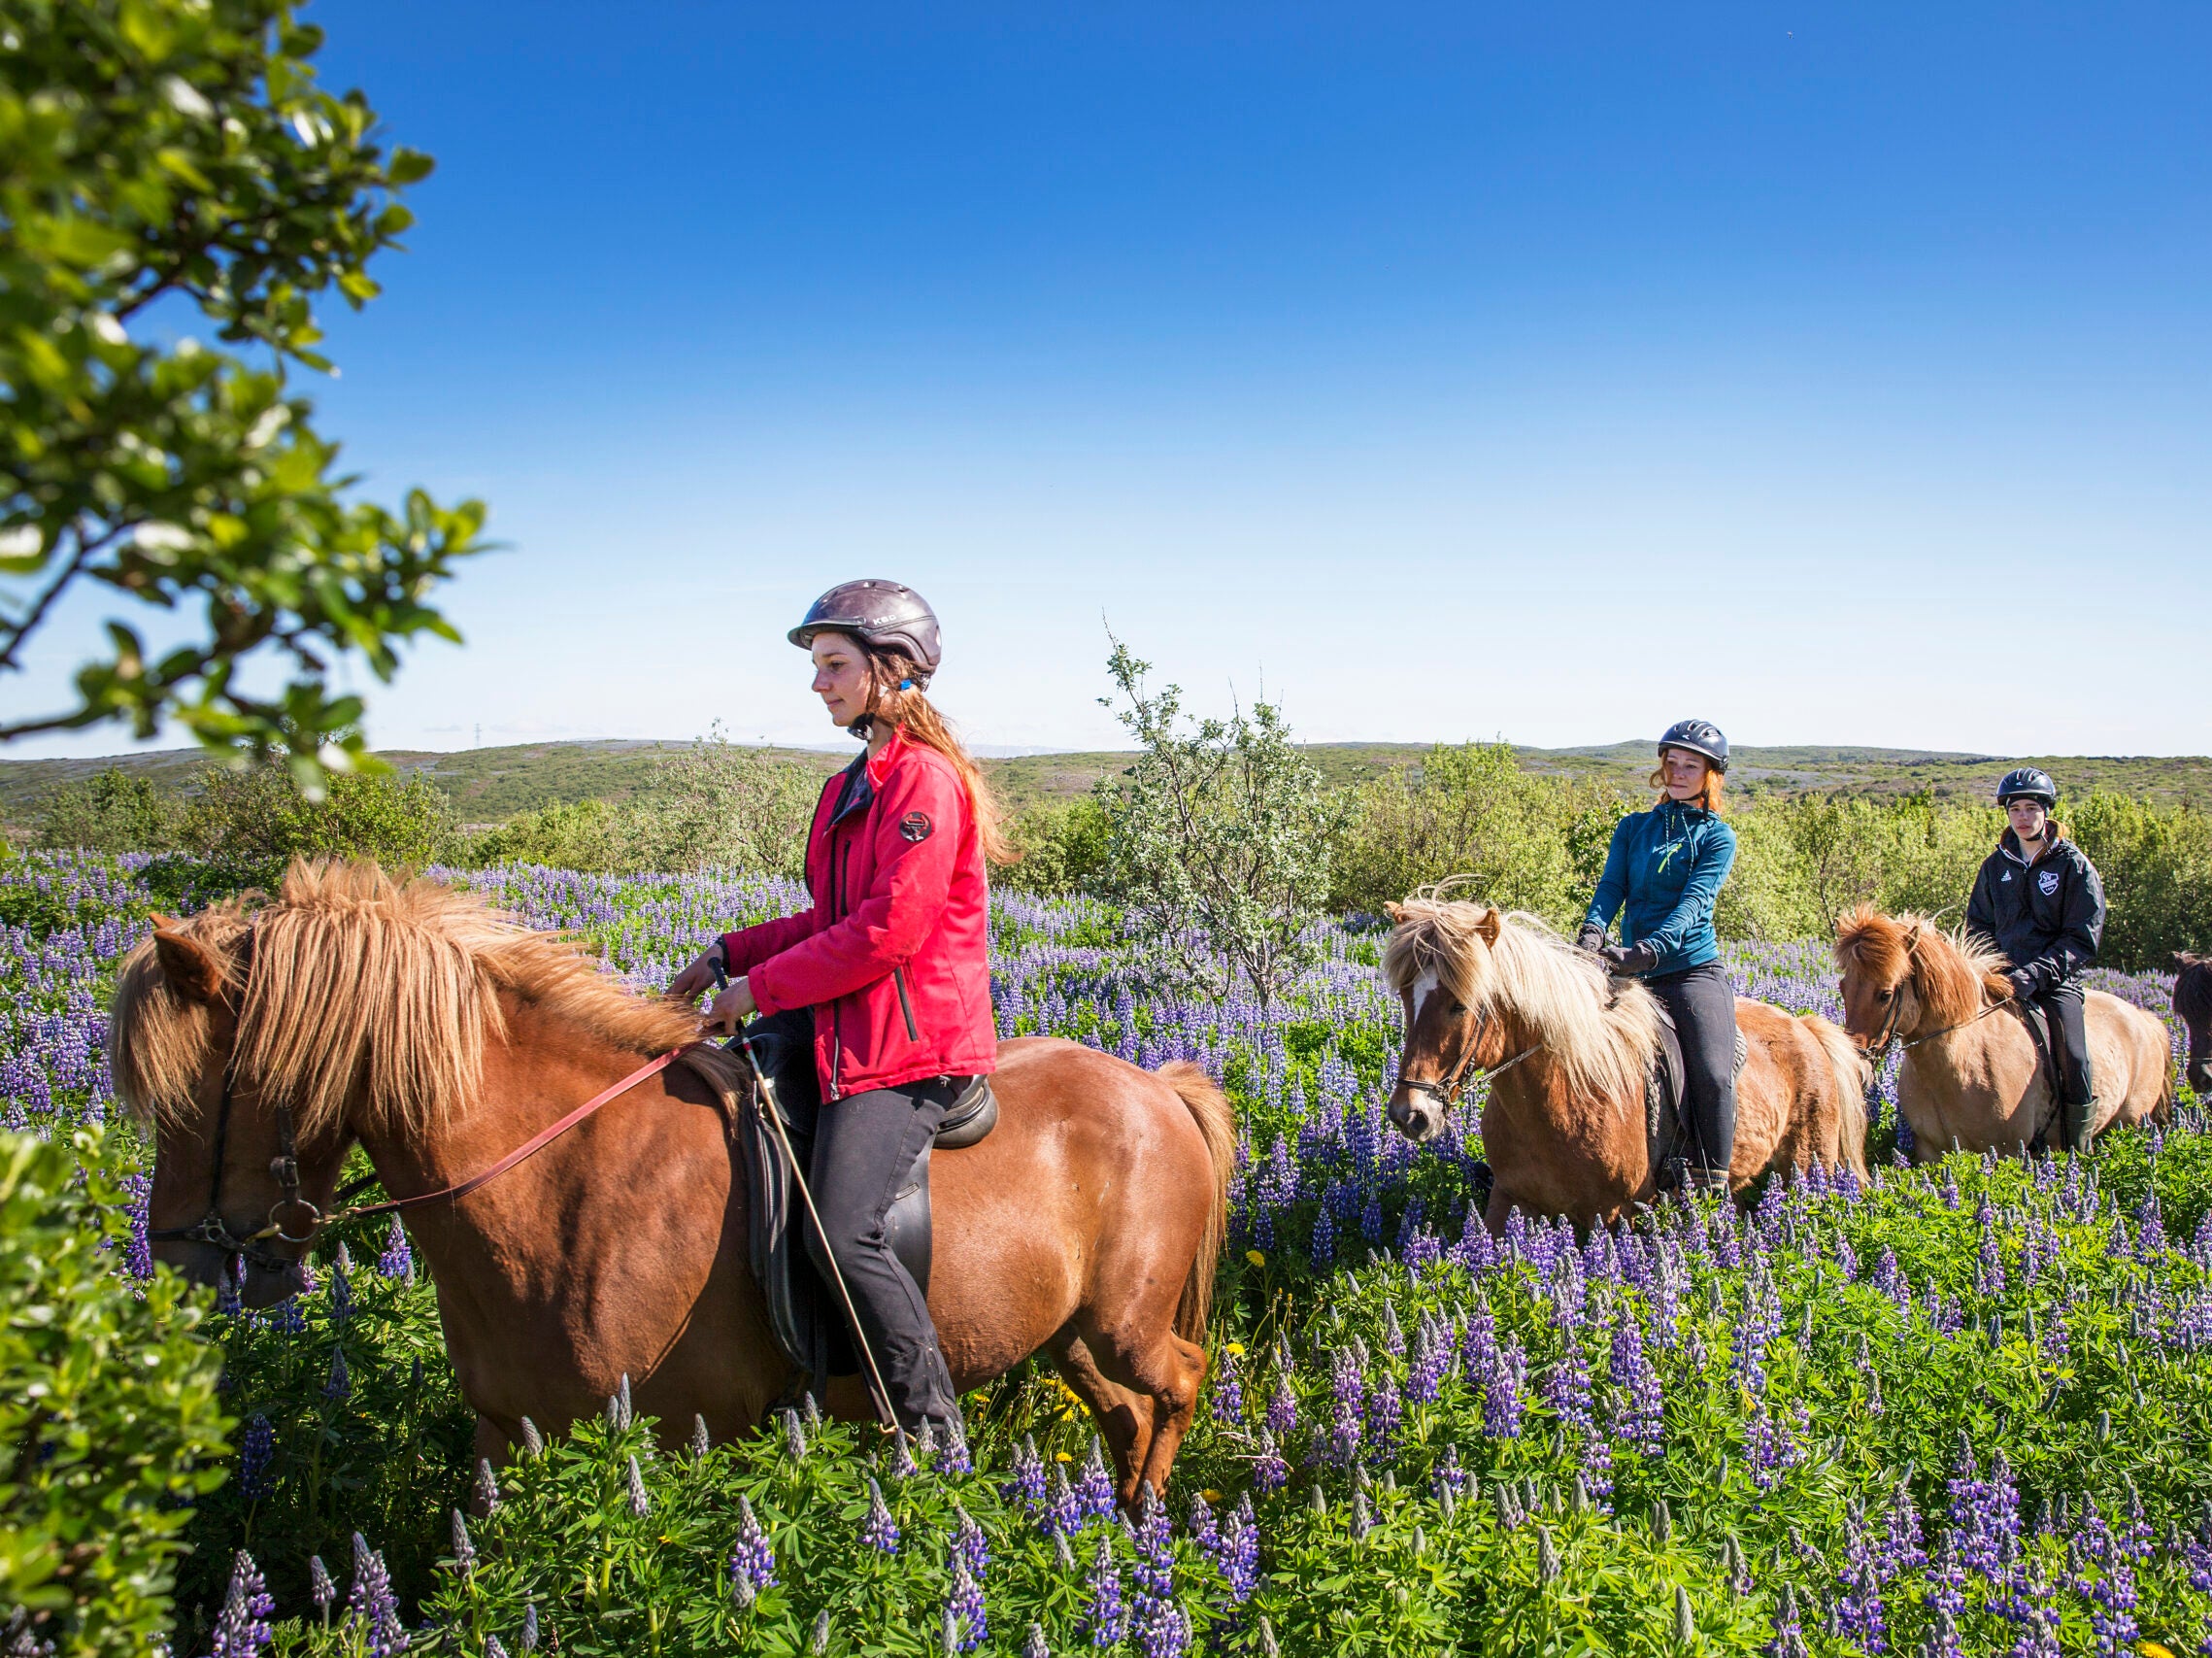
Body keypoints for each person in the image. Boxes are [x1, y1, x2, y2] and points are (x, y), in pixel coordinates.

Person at [668, 579, 1005, 1438]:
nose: (818, 683)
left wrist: (758, 991)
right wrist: (727, 954)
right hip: (844, 1027)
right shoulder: (852, 784)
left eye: (833, 665)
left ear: (891, 671)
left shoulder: (925, 781)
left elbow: (885, 935)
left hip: (913, 1046)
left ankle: (930, 1425)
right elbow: (831, 918)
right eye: (817, 666)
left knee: (844, 1229)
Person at [1576, 720, 1741, 1193]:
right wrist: (1592, 930)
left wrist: (1649, 951)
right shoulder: (1633, 828)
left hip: (1688, 970)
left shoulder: (1717, 838)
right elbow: (1612, 885)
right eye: (1672, 762)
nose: (1679, 772)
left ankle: (1711, 1181)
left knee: (1711, 1073)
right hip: (1628, 963)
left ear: (1711, 774)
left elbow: (1695, 903)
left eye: (1692, 765)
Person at [1965, 766, 2105, 1152]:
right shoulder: (1995, 866)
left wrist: (2036, 974)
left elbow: (2082, 937)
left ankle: (2077, 1144)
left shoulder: (2073, 866)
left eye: (2031, 808)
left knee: (2074, 1056)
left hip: (2054, 982)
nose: (2023, 818)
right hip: (2000, 979)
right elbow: (1977, 925)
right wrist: (1990, 969)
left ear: (2046, 812)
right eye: (2015, 810)